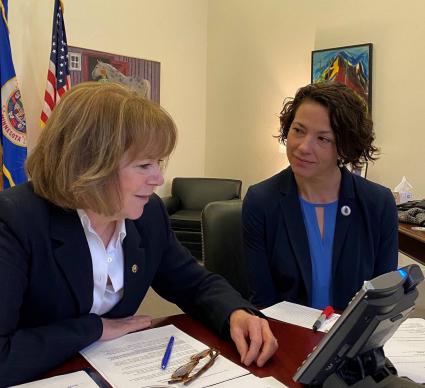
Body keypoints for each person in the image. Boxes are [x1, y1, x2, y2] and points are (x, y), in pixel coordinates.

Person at [0, 82, 277, 387]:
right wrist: (93, 328)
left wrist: (235, 312)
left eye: (159, 163)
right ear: (90, 164)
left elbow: (193, 283)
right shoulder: (15, 220)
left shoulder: (149, 214)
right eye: (144, 165)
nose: (159, 179)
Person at [243, 82, 398, 311]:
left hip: (354, 341)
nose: (303, 147)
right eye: (298, 130)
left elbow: (383, 298)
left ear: (344, 148)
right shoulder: (261, 201)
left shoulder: (378, 203)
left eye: (323, 139)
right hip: (285, 337)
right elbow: (264, 300)